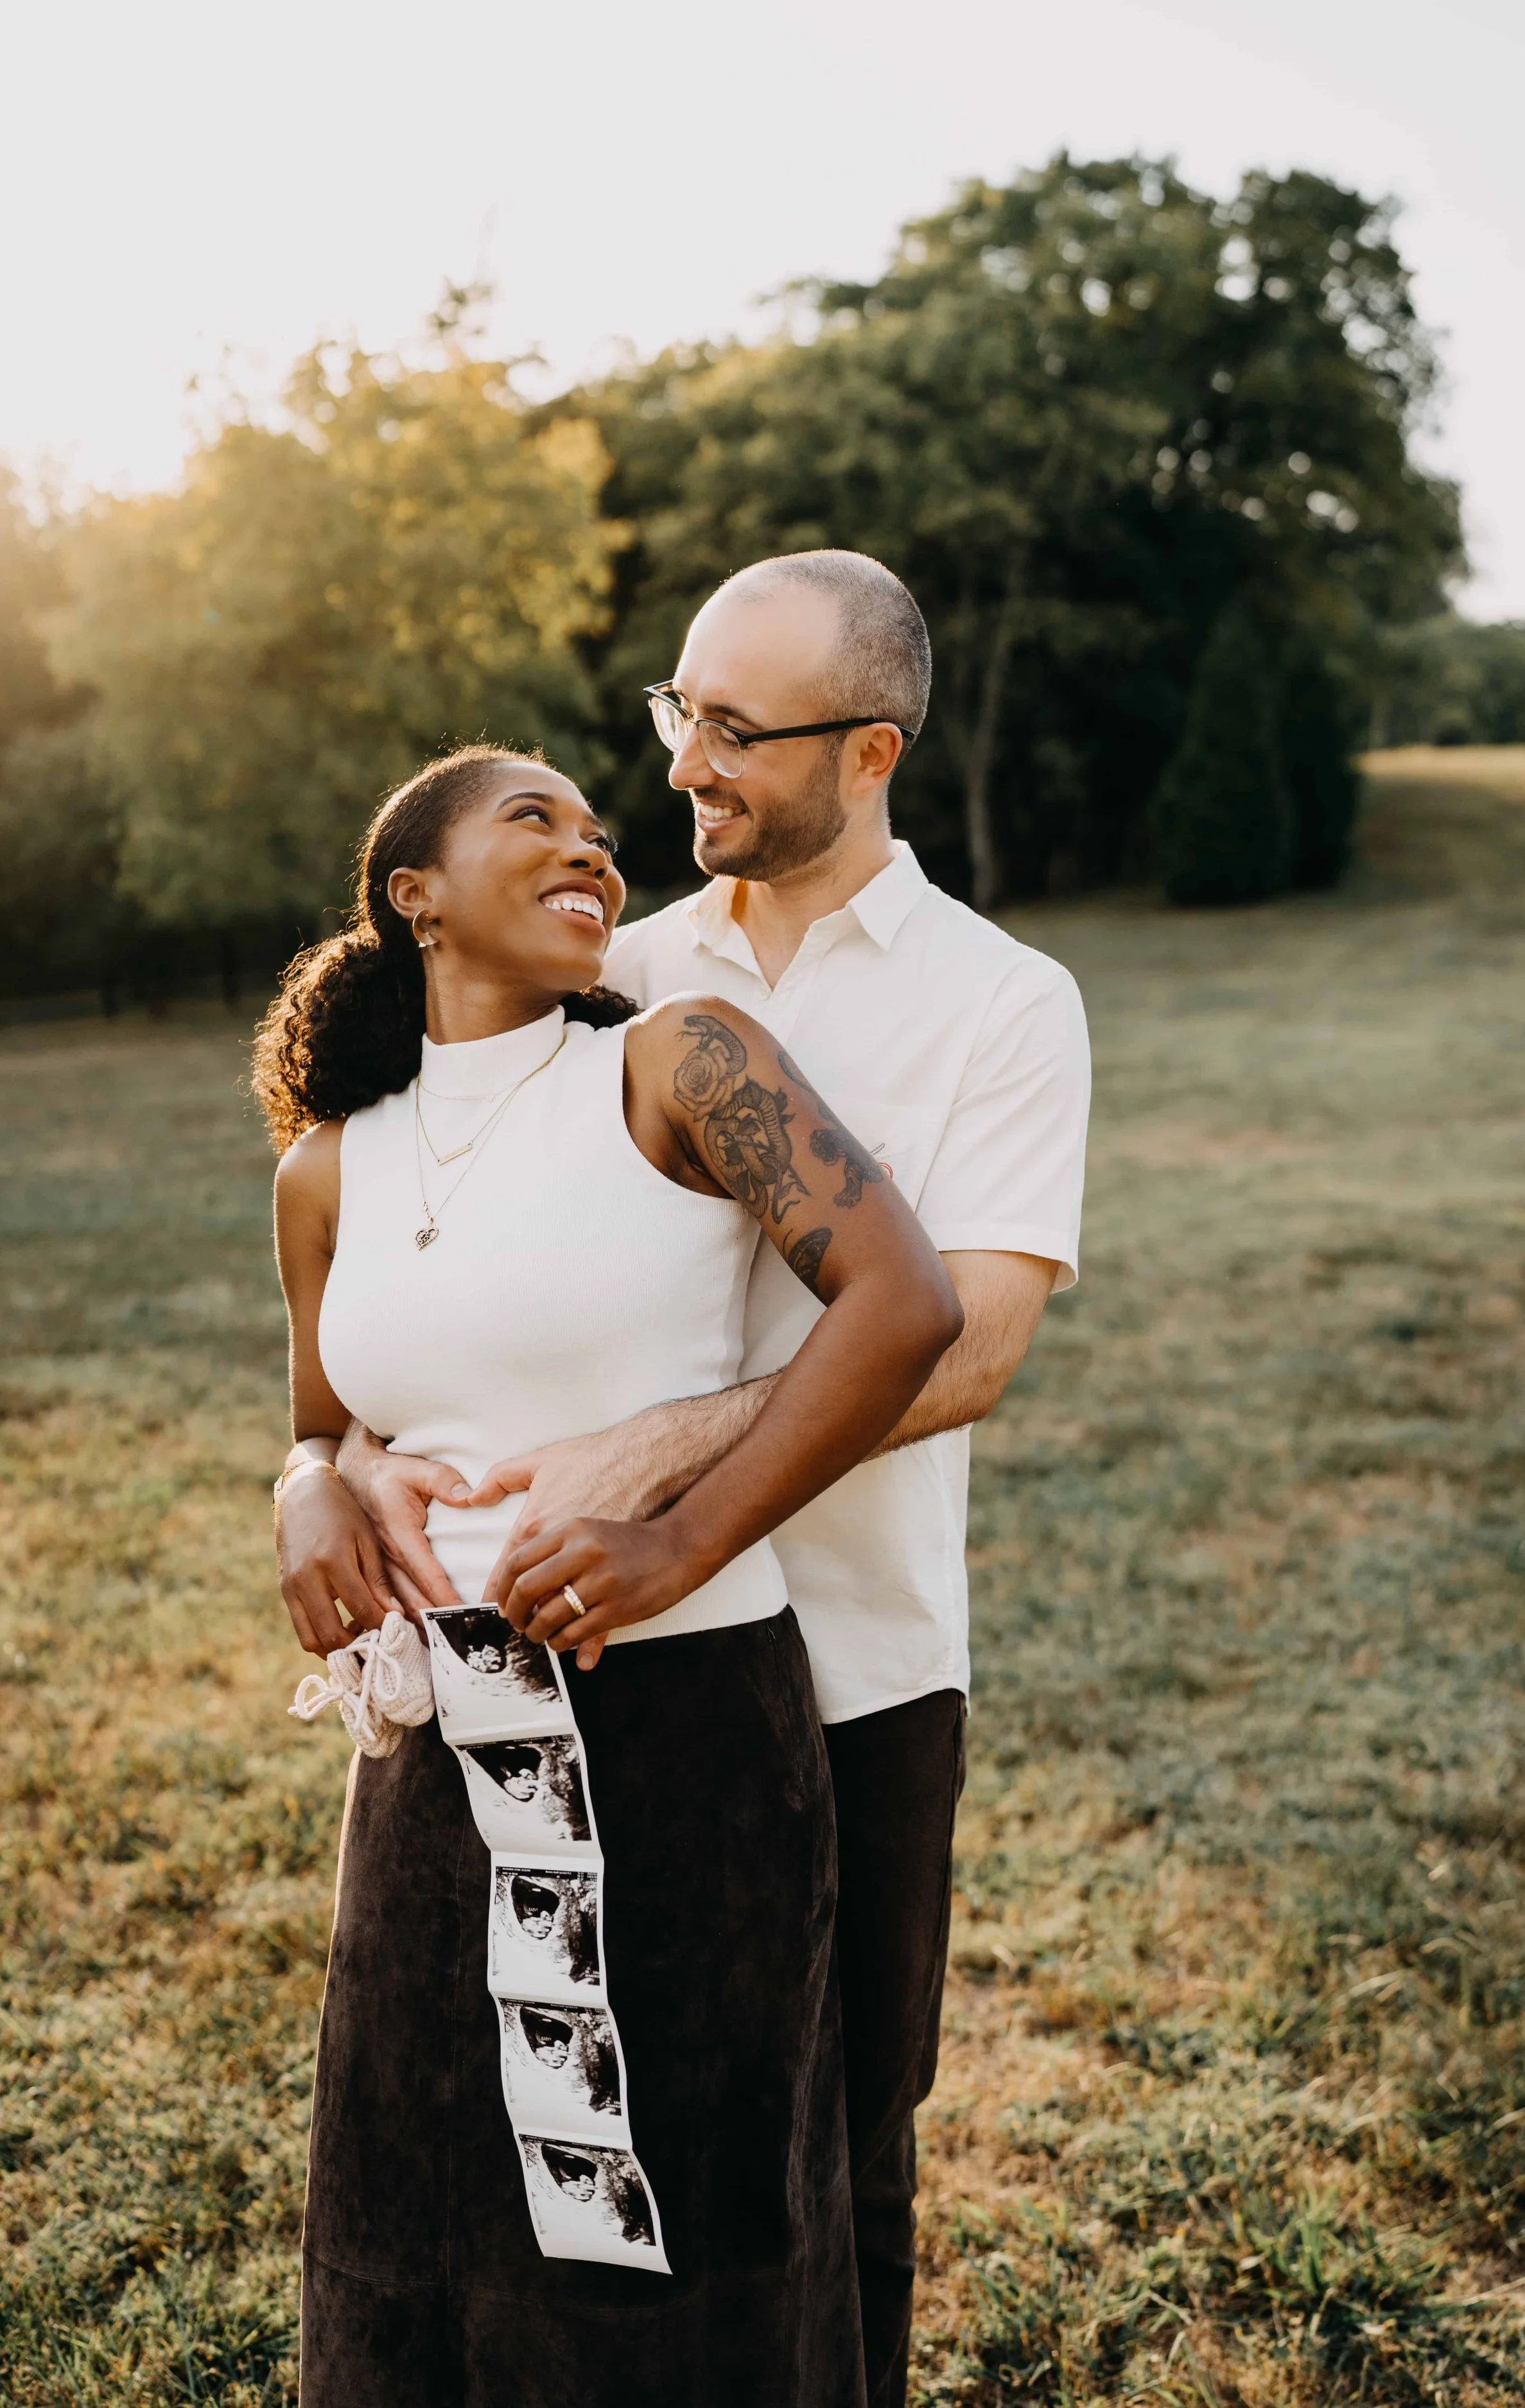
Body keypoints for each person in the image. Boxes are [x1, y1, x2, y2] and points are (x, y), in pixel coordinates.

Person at [299, 553, 1091, 2407]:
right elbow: (447, 1296)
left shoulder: (1003, 1001)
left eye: (735, 728)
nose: (680, 767)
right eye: (682, 711)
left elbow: (967, 1341)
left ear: (871, 748)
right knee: (536, 2168)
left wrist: (664, 1459)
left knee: (828, 2156)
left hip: (853, 1657)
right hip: (570, 1672)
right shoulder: (622, 968)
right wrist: (321, 1467)